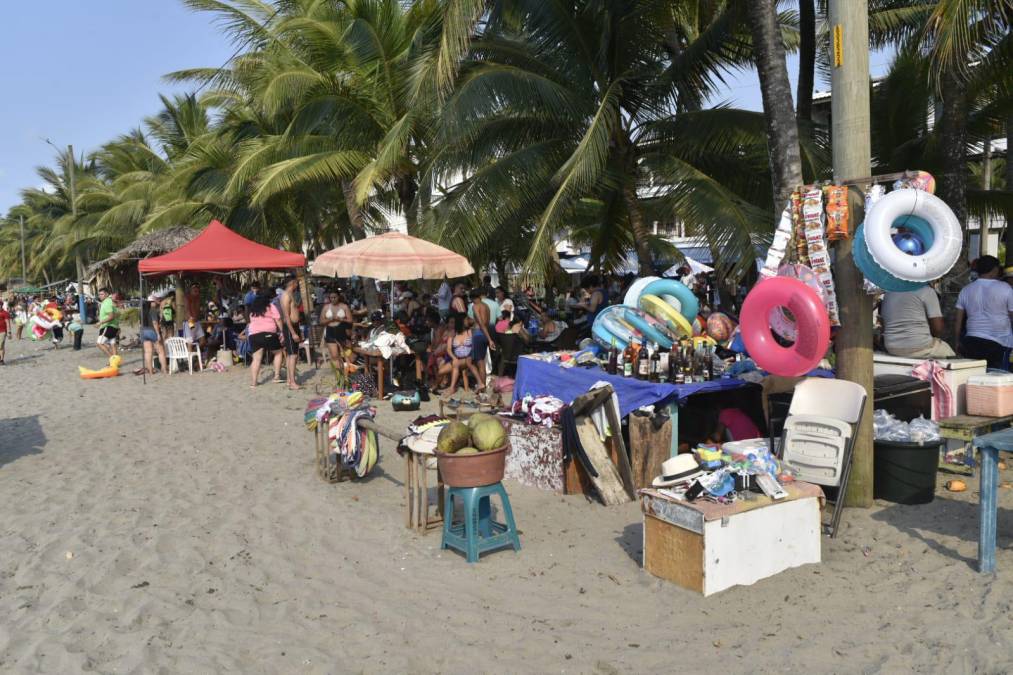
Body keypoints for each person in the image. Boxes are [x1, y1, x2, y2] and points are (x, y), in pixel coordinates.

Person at [956, 255, 1013, 370]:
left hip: (971, 341)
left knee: (973, 377)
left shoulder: (966, 290)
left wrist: (957, 341)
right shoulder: (1005, 288)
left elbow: (958, 320)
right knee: (996, 380)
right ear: (995, 270)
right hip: (999, 342)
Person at [880, 286, 955, 358]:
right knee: (949, 352)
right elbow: (937, 329)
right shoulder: (927, 291)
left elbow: (884, 325)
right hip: (919, 346)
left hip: (892, 347)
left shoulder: (889, 293)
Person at [247, 290, 285, 388]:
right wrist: (282, 332)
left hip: (254, 335)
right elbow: (278, 319)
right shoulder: (271, 306)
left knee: (256, 359)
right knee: (278, 353)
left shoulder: (253, 310)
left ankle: (254, 382)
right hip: (269, 333)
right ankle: (276, 376)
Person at [442, 315, 482, 395]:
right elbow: (448, 349)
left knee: (456, 364)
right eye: (465, 320)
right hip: (458, 358)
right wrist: (454, 358)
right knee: (441, 371)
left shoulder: (470, 331)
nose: (467, 321)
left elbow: (477, 324)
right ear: (461, 322)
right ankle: (480, 383)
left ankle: (452, 388)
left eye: (467, 320)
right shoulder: (453, 333)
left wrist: (470, 321)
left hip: (469, 357)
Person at [467, 288, 498, 388]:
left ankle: (482, 386)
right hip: (485, 333)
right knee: (482, 363)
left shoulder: (475, 307)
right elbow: (487, 323)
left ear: (472, 298)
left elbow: (481, 323)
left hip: (479, 334)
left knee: (479, 363)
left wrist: (489, 339)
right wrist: (488, 338)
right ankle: (482, 386)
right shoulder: (486, 306)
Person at [320, 289, 353, 373]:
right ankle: (339, 375)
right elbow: (321, 321)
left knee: (344, 354)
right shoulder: (326, 307)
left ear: (338, 297)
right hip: (330, 331)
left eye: (335, 297)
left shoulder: (344, 306)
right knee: (334, 355)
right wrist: (329, 320)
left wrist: (341, 319)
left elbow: (350, 320)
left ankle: (346, 373)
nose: (333, 299)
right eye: (331, 297)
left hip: (341, 330)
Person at [279, 275, 303, 390]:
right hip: (290, 327)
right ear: (292, 283)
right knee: (293, 355)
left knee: (291, 354)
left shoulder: (290, 295)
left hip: (294, 326)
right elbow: (286, 317)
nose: (297, 284)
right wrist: (293, 332)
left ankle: (290, 379)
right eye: (296, 282)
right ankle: (292, 382)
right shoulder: (285, 296)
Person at [138, 296, 168, 375]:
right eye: (155, 302)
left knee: (148, 352)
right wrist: (158, 333)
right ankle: (164, 370)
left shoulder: (142, 311)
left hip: (143, 331)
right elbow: (155, 322)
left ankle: (150, 371)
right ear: (151, 302)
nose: (156, 303)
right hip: (152, 330)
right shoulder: (153, 310)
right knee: (161, 351)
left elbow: (139, 323)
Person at [95, 288, 120, 357]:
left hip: (107, 326)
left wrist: (100, 322)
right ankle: (115, 362)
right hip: (114, 326)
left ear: (106, 294)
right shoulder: (110, 302)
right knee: (113, 344)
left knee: (99, 343)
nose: (100, 296)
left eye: (102, 294)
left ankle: (112, 359)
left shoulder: (107, 302)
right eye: (99, 294)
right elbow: (117, 314)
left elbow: (111, 316)